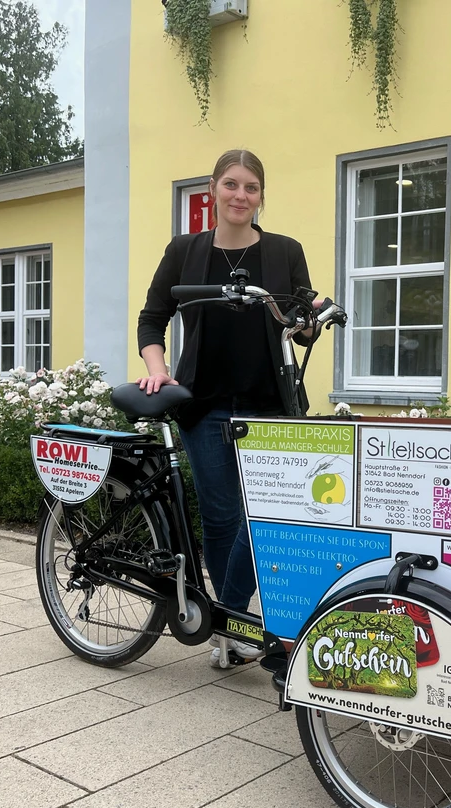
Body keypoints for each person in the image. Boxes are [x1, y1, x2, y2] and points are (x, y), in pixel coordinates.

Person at [136, 148, 318, 668]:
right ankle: (232, 632)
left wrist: (307, 321)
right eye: (232, 184)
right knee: (220, 518)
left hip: (271, 406)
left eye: (251, 187)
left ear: (261, 196)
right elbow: (152, 318)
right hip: (205, 403)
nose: (241, 195)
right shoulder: (185, 251)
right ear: (213, 190)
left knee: (265, 518)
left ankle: (226, 619)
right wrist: (157, 367)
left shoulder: (285, 251)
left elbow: (302, 324)